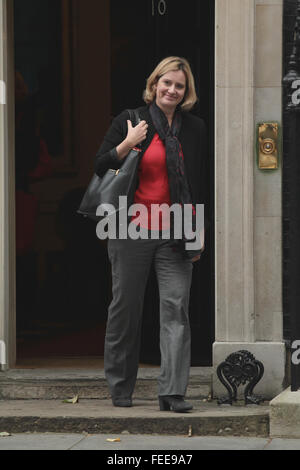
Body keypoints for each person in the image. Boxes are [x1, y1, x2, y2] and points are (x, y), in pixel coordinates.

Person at [95, 56, 208, 412]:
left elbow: (197, 183)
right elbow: (101, 167)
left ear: (186, 92)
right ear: (154, 83)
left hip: (175, 230)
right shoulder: (130, 120)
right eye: (167, 83)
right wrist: (128, 142)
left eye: (179, 86)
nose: (172, 90)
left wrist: (197, 231)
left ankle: (172, 392)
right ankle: (120, 388)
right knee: (125, 309)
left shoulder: (194, 129)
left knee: (176, 309)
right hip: (130, 229)